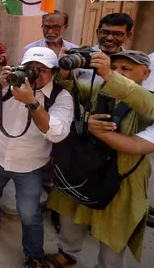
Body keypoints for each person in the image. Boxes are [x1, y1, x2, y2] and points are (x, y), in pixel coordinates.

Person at [48, 50, 154, 268]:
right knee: (71, 212)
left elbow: (145, 111)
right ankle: (68, 252)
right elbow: (71, 88)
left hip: (122, 177)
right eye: (114, 67)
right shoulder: (100, 88)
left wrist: (111, 76)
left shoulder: (147, 100)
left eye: (126, 69)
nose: (116, 73)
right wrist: (66, 71)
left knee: (114, 230)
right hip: (87, 168)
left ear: (146, 73)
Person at [0, 47, 74, 268]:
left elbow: (57, 132)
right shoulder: (11, 84)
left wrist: (32, 102)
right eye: (30, 68)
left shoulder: (60, 97)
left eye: (42, 70)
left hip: (30, 165)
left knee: (29, 214)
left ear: (53, 73)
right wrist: (1, 81)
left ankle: (34, 255)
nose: (35, 74)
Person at [66, 13, 134, 86]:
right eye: (105, 32)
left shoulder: (133, 62)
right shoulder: (82, 56)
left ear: (128, 35)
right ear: (97, 32)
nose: (109, 38)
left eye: (117, 34)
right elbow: (66, 85)